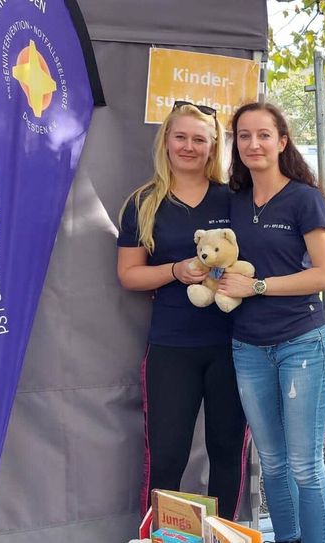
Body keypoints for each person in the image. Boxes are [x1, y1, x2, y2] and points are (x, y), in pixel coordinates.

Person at [117, 101, 247, 520]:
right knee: (167, 457)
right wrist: (174, 271)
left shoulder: (235, 201)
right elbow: (129, 275)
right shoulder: (144, 203)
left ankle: (222, 533)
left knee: (227, 452)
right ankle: (163, 536)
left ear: (213, 147)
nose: (189, 147)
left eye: (199, 139)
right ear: (166, 142)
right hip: (171, 347)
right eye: (181, 137)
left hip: (234, 347)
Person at [217, 102, 325, 543]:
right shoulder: (231, 203)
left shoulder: (304, 199)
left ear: (282, 141)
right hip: (248, 347)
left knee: (306, 464)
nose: (254, 144)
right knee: (272, 462)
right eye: (244, 135)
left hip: (302, 343)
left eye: (263, 134)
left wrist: (259, 287)